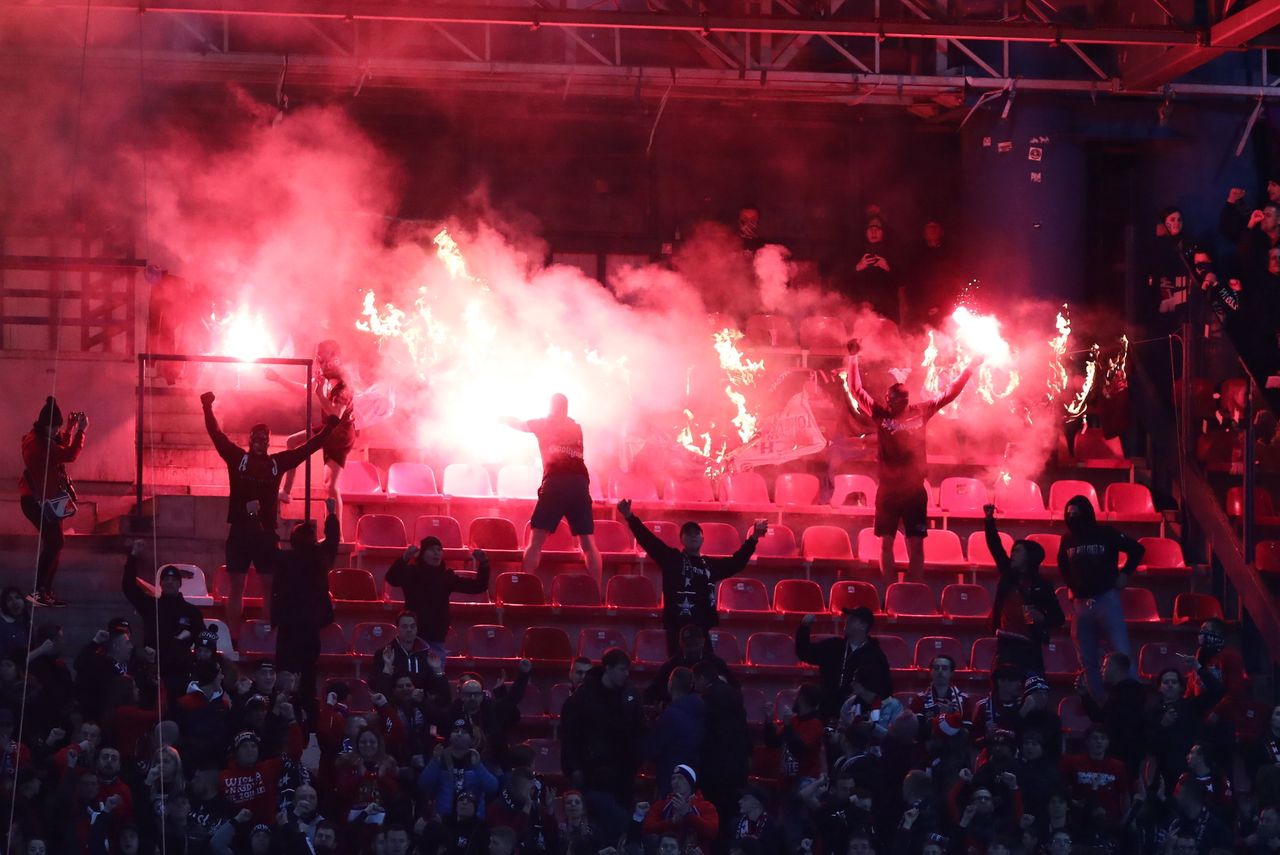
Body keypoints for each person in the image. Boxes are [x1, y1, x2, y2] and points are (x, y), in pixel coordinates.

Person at [201, 389, 346, 642]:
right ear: (249, 439)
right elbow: (216, 434)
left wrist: (327, 430)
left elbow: (307, 448)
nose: (261, 441)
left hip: (266, 534)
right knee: (237, 587)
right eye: (257, 437)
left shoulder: (275, 463)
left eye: (264, 438)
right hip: (240, 531)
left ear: (268, 442)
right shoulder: (238, 459)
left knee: (268, 588)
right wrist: (206, 407)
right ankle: (235, 638)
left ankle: (268, 637)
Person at [842, 339, 978, 580]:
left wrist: (970, 368)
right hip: (889, 489)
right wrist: (853, 358)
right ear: (888, 400)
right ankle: (889, 587)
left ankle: (914, 589)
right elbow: (856, 390)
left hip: (914, 490)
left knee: (916, 545)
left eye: (903, 398)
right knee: (886, 543)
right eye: (895, 399)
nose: (900, 402)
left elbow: (950, 394)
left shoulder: (921, 411)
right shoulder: (880, 414)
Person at [618, 499, 765, 655]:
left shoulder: (709, 564)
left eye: (696, 533)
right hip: (676, 627)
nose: (693, 536)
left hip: (702, 628)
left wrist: (754, 538)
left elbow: (736, 563)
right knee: (679, 667)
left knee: (705, 669)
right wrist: (629, 516)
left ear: (702, 539)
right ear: (681, 539)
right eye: (688, 534)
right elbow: (648, 540)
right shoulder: (672, 559)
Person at [502, 394, 602, 581]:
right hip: (579, 484)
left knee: (536, 541)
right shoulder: (576, 427)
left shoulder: (545, 424)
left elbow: (520, 425)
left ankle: (526, 584)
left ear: (551, 407)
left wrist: (502, 418)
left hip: (556, 482)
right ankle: (597, 591)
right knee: (588, 543)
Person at [1056, 494, 1144, 697]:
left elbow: (1137, 549)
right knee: (1087, 658)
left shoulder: (1105, 533)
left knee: (1121, 652)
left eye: (1076, 513)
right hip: (1080, 604)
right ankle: (1098, 705)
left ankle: (1133, 700)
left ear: (1086, 514)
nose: (1072, 517)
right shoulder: (1067, 539)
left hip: (1107, 599)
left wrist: (1125, 573)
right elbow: (1062, 565)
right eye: (1069, 514)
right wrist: (1071, 586)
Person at [266, 340, 357, 521]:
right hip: (328, 429)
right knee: (292, 441)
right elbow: (304, 390)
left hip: (340, 434)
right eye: (318, 358)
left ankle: (337, 534)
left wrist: (320, 395)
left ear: (335, 359)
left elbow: (335, 415)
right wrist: (278, 379)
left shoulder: (344, 385)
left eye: (322, 359)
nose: (319, 363)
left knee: (331, 487)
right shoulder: (325, 378)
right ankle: (286, 491)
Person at [559, 648, 645, 838]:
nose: (626, 674)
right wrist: (574, 768)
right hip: (590, 772)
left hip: (622, 773)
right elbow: (570, 735)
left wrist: (635, 761)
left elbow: (639, 730)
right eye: (622, 669)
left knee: (618, 825)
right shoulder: (584, 696)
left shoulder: (630, 695)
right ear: (609, 668)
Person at [270, 497, 340, 730]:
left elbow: (267, 548)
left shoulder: (284, 559)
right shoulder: (320, 558)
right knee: (308, 675)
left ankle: (284, 719)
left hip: (289, 625)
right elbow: (332, 540)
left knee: (286, 673)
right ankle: (309, 722)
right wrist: (331, 514)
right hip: (310, 626)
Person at [18, 397, 86, 606]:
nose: (57, 431)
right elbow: (68, 454)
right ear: (46, 425)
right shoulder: (39, 444)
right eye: (54, 427)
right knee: (55, 542)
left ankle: (44, 591)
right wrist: (81, 431)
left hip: (45, 500)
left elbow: (58, 447)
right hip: (37, 501)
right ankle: (38, 591)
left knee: (55, 543)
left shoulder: (38, 438)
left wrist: (70, 428)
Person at [983, 504, 1065, 677]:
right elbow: (995, 547)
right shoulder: (1008, 574)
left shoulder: (1043, 585)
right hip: (1005, 642)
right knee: (1003, 687)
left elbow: (1058, 618)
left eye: (1018, 551)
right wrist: (989, 521)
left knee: (1032, 687)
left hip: (1030, 645)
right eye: (1012, 551)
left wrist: (1042, 618)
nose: (1012, 554)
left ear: (1030, 557)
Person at [120, 542, 205, 699]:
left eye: (174, 579)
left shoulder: (192, 612)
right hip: (153, 671)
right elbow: (128, 586)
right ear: (160, 583)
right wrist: (133, 556)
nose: (170, 582)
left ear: (180, 583)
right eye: (166, 578)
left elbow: (203, 640)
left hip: (181, 674)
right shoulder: (150, 606)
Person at [385, 538, 490, 659]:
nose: (436, 553)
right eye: (431, 549)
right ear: (422, 554)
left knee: (435, 674)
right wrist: (404, 558)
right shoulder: (411, 572)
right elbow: (391, 578)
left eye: (439, 550)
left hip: (436, 637)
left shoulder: (446, 577)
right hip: (411, 637)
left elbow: (478, 586)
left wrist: (484, 563)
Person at [795, 608, 892, 722]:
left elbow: (885, 692)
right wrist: (804, 627)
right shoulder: (834, 647)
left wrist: (863, 693)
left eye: (852, 619)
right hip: (828, 715)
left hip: (859, 718)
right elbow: (805, 653)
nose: (847, 621)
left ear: (863, 626)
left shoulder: (876, 657)